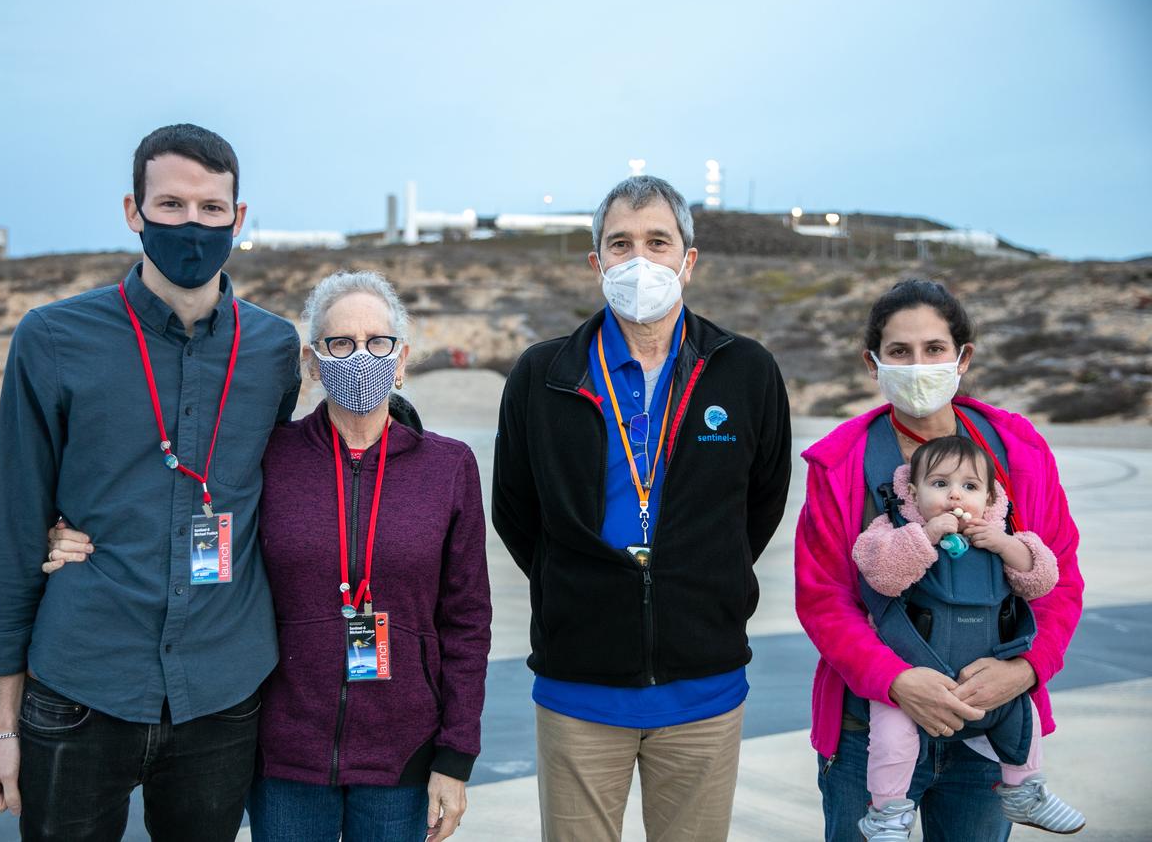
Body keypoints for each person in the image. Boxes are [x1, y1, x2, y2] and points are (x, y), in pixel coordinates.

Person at [0, 123, 301, 841]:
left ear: (239, 218)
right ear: (133, 211)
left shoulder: (273, 348)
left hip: (223, 693)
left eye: (210, 208)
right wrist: (2, 725)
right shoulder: (51, 338)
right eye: (170, 204)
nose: (191, 224)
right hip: (80, 684)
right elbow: (15, 527)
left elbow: (284, 489)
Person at [492, 175, 791, 840]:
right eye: (620, 244)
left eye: (658, 242)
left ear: (688, 260)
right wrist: (580, 587)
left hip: (704, 689)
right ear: (596, 263)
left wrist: (700, 575)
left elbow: (761, 501)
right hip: (578, 690)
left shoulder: (745, 370)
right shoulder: (543, 375)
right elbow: (515, 510)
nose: (639, 260)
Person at [794, 279, 1085, 841]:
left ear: (963, 357)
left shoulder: (1016, 450)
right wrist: (896, 682)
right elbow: (823, 598)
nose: (917, 364)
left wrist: (1024, 670)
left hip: (988, 728)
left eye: (934, 349)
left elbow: (1058, 579)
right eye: (899, 352)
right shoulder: (841, 463)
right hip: (870, 729)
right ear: (873, 364)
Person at [244, 269, 490, 842]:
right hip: (286, 757)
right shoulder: (269, 457)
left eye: (377, 343)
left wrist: (456, 756)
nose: (361, 357)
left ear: (400, 359)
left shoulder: (449, 467)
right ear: (313, 362)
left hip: (402, 758)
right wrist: (74, 529)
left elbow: (468, 622)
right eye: (341, 343)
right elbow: (195, 517)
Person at [852, 435, 1085, 838]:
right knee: (892, 740)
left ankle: (1024, 790)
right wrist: (926, 535)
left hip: (988, 678)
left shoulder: (1000, 534)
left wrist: (1007, 545)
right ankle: (887, 811)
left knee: (1022, 720)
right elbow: (882, 575)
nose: (955, 494)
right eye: (939, 484)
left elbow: (1043, 579)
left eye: (970, 487)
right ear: (912, 490)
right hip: (913, 679)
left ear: (990, 496)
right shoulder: (894, 529)